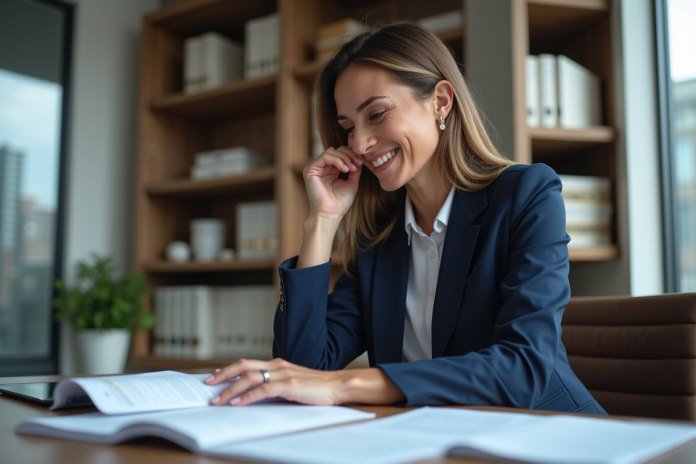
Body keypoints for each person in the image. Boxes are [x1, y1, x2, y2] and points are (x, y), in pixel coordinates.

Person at [205, 22, 606, 414]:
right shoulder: (376, 238)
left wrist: (348, 383)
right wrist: (322, 223)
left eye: (376, 114)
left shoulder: (526, 195)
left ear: (441, 102)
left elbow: (523, 371)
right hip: (438, 442)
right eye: (348, 128)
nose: (359, 144)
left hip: (553, 435)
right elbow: (303, 369)